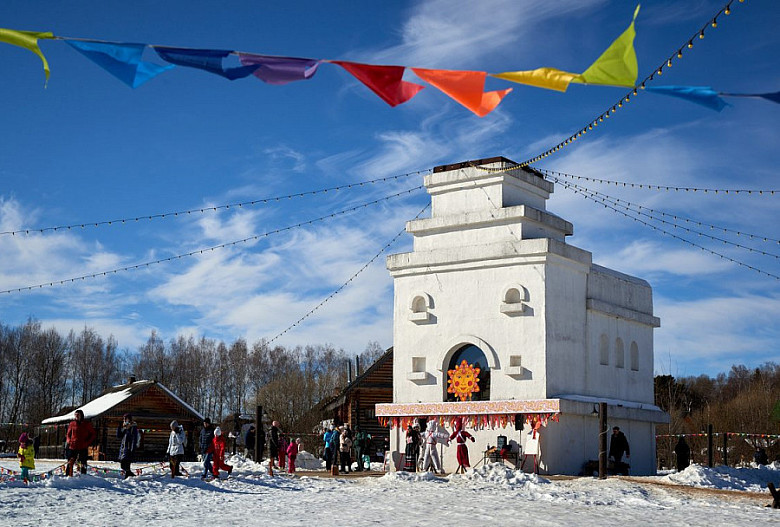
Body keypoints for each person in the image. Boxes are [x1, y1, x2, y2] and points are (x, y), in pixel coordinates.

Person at [65, 409, 96, 476]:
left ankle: (83, 476)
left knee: (83, 462)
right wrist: (69, 441)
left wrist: (88, 442)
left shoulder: (86, 424)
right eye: (75, 415)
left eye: (78, 415)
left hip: (83, 446)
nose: (76, 416)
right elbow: (68, 434)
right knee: (70, 462)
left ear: (81, 415)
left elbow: (93, 434)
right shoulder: (72, 424)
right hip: (73, 446)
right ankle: (68, 475)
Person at [116, 413, 139, 479]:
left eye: (126, 419)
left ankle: (129, 476)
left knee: (125, 463)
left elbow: (134, 439)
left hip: (128, 448)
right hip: (123, 448)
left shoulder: (133, 427)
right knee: (123, 465)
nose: (124, 420)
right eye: (124, 419)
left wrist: (132, 449)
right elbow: (119, 436)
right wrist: (119, 427)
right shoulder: (125, 427)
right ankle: (129, 476)